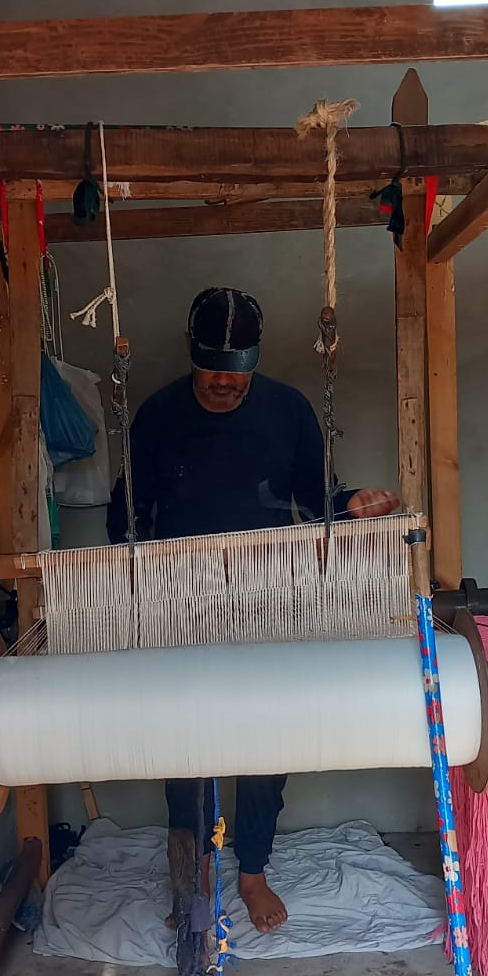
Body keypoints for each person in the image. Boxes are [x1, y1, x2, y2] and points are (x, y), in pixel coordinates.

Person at [108, 287, 400, 932]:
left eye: (237, 372)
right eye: (212, 369)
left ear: (255, 359)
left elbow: (317, 499)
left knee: (268, 730)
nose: (224, 383)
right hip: (178, 594)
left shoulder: (289, 411)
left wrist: (350, 504)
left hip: (269, 593)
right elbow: (126, 515)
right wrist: (132, 582)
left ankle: (252, 871)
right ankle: (192, 862)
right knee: (184, 735)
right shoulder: (156, 415)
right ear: (189, 350)